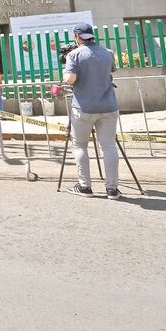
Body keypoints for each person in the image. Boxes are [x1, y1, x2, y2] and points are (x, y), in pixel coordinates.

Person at [62, 23, 121, 199]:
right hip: (109, 106)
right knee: (109, 146)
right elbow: (112, 70)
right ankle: (112, 189)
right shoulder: (108, 53)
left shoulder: (74, 55)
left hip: (84, 108)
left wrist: (65, 73)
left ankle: (85, 187)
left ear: (77, 37)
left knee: (80, 145)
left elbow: (70, 79)